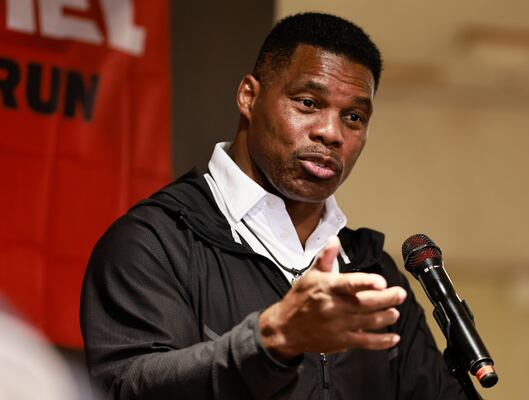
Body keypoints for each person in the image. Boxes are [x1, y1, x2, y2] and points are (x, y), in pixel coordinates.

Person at [80, 12, 466, 400]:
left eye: (353, 117)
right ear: (249, 96)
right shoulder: (156, 242)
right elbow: (128, 388)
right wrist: (271, 340)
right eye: (308, 102)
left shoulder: (373, 273)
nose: (331, 133)